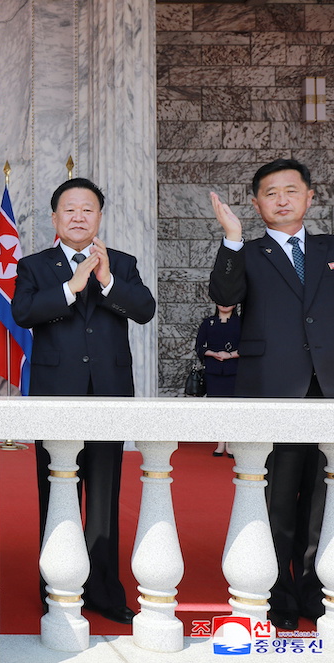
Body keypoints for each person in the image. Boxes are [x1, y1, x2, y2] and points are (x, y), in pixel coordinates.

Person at [11, 177, 155, 625]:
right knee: (57, 492)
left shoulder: (123, 264)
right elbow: (22, 313)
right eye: (69, 209)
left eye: (87, 209)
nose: (78, 216)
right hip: (56, 397)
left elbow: (145, 310)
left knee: (105, 497)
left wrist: (106, 280)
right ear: (55, 218)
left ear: (99, 217)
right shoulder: (34, 266)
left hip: (109, 395)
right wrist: (71, 287)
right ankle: (56, 586)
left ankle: (104, 590)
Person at [209, 158, 333, 631]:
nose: (282, 199)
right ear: (257, 202)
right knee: (277, 498)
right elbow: (223, 293)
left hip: (327, 388)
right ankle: (277, 591)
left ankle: (312, 588)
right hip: (272, 389)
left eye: (291, 190)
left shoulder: (328, 248)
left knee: (323, 498)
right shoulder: (249, 252)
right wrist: (232, 238)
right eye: (270, 193)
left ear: (309, 196)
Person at [194, 302, 240, 456]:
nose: (225, 305)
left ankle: (231, 443)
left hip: (234, 371)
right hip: (214, 372)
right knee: (218, 409)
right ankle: (220, 443)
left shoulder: (241, 323)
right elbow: (199, 346)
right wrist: (213, 353)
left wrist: (230, 354)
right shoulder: (208, 323)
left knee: (233, 410)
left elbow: (248, 346)